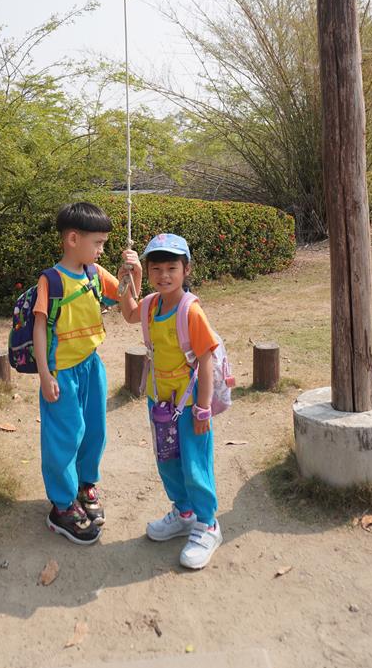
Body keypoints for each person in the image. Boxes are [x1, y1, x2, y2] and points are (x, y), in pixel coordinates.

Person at [33, 201, 140, 545]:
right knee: (64, 435)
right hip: (61, 372)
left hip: (92, 366)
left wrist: (134, 276)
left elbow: (129, 309)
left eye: (104, 243)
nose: (101, 249)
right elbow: (39, 329)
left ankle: (84, 485)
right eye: (98, 243)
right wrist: (45, 375)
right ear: (73, 239)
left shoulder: (96, 274)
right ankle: (62, 505)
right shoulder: (51, 280)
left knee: (94, 429)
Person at [121, 233, 222, 570]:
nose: (163, 275)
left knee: (195, 464)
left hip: (190, 404)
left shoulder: (190, 311)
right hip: (161, 402)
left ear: (186, 269)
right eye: (156, 268)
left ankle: (208, 524)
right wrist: (128, 279)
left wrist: (203, 408)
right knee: (168, 461)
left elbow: (205, 358)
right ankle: (184, 513)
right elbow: (129, 313)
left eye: (171, 268)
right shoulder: (152, 304)